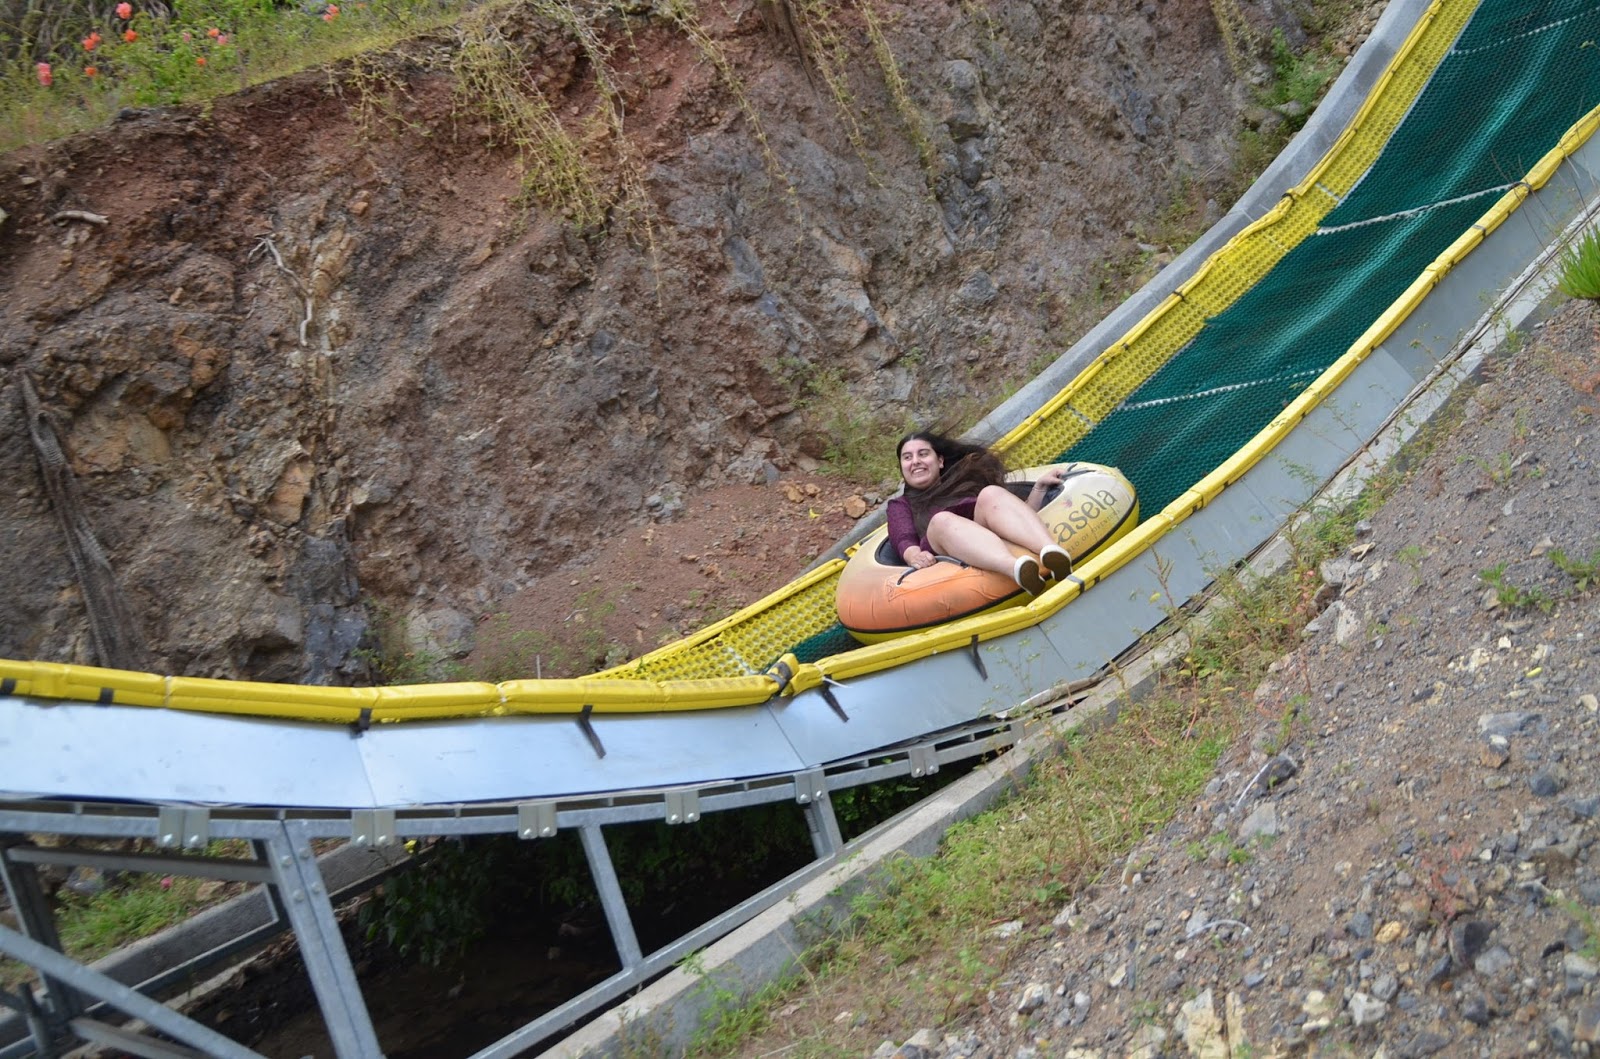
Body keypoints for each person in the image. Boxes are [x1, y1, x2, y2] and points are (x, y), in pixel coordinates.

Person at [887, 429, 1073, 595]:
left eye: (923, 454)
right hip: (948, 555)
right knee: (941, 520)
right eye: (908, 457)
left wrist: (1039, 488)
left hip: (988, 537)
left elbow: (1014, 516)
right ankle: (1016, 569)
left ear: (940, 461)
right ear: (902, 468)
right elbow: (903, 539)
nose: (916, 461)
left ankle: (1050, 550)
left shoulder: (965, 483)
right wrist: (914, 556)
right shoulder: (901, 505)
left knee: (990, 493)